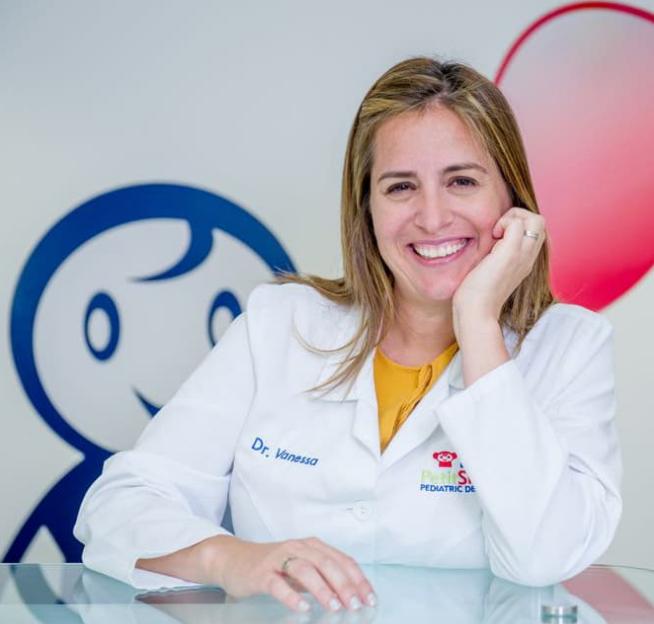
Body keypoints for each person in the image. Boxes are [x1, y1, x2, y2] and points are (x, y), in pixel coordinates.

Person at [74, 57, 622, 614]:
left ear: (512, 199)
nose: (432, 217)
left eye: (462, 181)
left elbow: (544, 556)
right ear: (367, 208)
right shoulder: (279, 323)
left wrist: (479, 323)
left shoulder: (570, 347)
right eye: (400, 187)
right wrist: (231, 559)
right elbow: (118, 507)